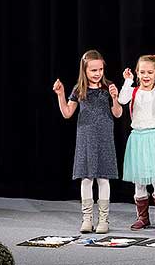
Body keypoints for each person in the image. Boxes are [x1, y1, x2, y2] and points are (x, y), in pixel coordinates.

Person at [53, 49, 122, 234]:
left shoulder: (109, 87)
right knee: (86, 178)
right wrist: (61, 94)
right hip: (85, 139)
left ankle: (103, 219)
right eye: (93, 70)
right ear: (84, 70)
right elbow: (67, 113)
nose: (97, 73)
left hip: (104, 139)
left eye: (100, 69)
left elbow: (118, 113)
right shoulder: (78, 89)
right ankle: (87, 218)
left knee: (103, 178)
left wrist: (115, 98)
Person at [118, 54, 155, 231]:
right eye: (142, 72)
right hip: (138, 138)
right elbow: (122, 100)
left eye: (150, 72)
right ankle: (142, 217)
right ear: (136, 72)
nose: (146, 76)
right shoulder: (134, 90)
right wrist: (127, 82)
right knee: (139, 181)